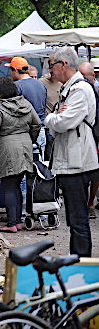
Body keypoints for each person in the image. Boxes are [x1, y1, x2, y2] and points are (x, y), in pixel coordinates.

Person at [45, 47, 98, 257]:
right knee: (75, 219)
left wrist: (51, 118)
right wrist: (56, 118)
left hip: (76, 161)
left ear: (63, 65)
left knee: (78, 219)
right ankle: (78, 262)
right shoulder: (71, 88)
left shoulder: (80, 89)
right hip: (71, 159)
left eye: (51, 65)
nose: (50, 71)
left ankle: (82, 266)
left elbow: (63, 121)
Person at [0, 77, 41, 233]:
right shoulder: (25, 103)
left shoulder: (0, 108)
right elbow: (37, 123)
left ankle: (12, 223)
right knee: (17, 186)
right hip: (25, 147)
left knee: (9, 187)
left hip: (7, 148)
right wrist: (31, 138)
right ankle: (18, 221)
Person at [6, 57, 47, 158]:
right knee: (39, 167)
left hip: (24, 133)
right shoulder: (41, 84)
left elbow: (12, 111)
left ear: (15, 70)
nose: (10, 73)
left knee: (23, 167)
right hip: (41, 130)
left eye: (10, 70)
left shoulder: (16, 86)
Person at [79, 61, 99, 219]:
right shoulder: (80, 90)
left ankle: (90, 202)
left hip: (94, 137)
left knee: (94, 173)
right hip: (85, 136)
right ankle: (87, 202)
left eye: (84, 76)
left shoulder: (94, 89)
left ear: (93, 75)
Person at [39, 70, 62, 160]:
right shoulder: (42, 82)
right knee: (49, 154)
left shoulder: (64, 84)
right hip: (48, 124)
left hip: (60, 123)